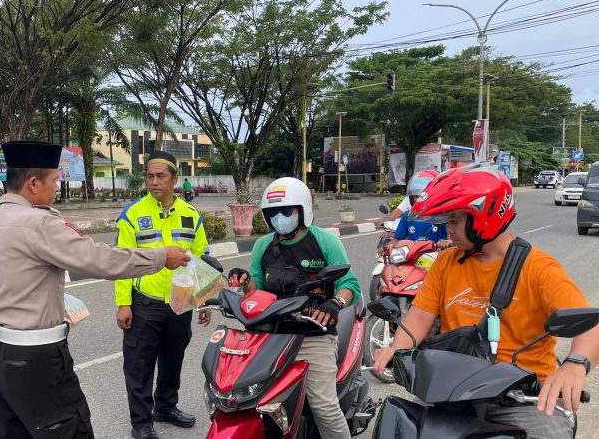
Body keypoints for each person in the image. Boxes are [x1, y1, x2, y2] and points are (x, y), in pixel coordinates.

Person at [0, 141, 192, 439]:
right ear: (32, 182)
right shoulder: (40, 223)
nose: (57, 187)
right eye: (54, 180)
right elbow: (99, 259)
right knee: (69, 430)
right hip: (35, 358)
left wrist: (17, 289)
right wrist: (161, 257)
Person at [374, 163, 599, 438]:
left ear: (485, 216)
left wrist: (575, 365)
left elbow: (589, 326)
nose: (447, 230)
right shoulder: (446, 262)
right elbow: (420, 315)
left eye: (454, 220)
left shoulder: (539, 267)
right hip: (454, 389)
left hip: (522, 397)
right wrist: (396, 348)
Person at [228, 177, 361, 439]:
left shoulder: (323, 241)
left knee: (324, 406)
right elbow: (256, 289)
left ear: (302, 210)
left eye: (286, 211)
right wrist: (243, 280)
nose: (280, 217)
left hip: (312, 334)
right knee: (248, 397)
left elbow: (350, 285)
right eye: (273, 213)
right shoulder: (263, 246)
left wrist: (335, 303)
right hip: (271, 334)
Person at [115, 151, 211, 439]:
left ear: (174, 179)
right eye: (150, 176)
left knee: (173, 359)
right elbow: (122, 262)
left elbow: (201, 258)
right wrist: (123, 304)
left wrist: (203, 300)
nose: (154, 182)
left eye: (161, 176)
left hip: (180, 303)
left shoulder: (190, 215)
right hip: (145, 304)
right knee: (139, 365)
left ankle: (166, 407)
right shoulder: (133, 215)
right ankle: (142, 422)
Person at [389, 170, 449, 248]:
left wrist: (446, 242)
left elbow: (454, 239)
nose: (419, 200)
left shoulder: (442, 216)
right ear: (411, 198)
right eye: (416, 196)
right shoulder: (408, 216)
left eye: (423, 196)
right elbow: (396, 239)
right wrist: (393, 245)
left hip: (438, 257)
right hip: (414, 257)